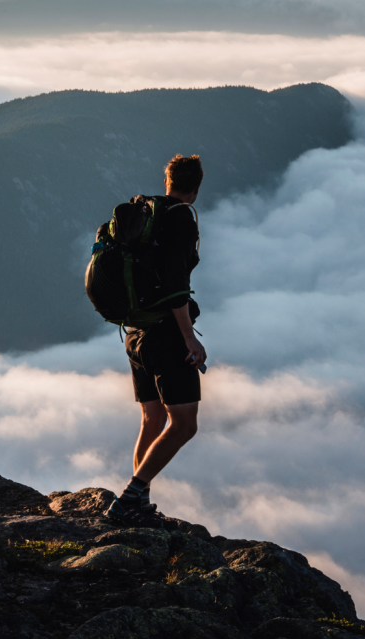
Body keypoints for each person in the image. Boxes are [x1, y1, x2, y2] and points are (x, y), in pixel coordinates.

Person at [104, 154, 207, 527]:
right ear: (194, 189)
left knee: (153, 417)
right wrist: (189, 339)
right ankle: (131, 495)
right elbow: (176, 284)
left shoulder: (144, 212)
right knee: (184, 424)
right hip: (165, 335)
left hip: (135, 335)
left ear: (167, 181)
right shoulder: (180, 219)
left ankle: (137, 501)